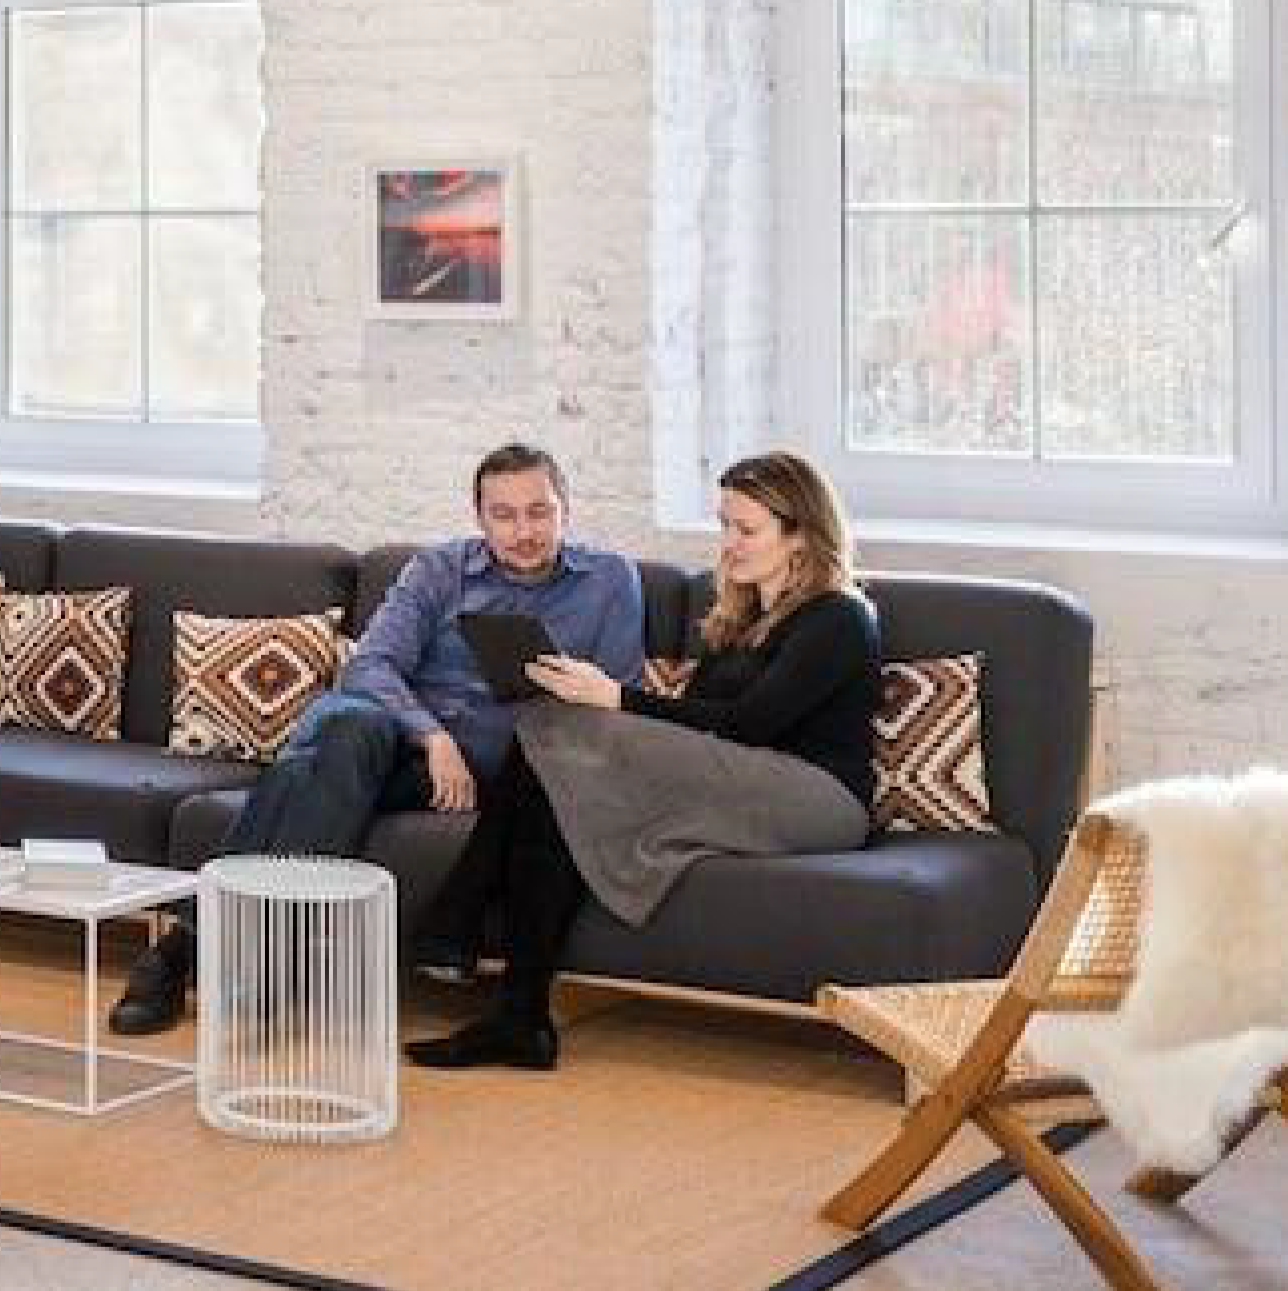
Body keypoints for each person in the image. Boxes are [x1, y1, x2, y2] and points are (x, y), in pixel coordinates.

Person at [109, 443, 644, 1036]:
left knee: (303, 775)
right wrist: (433, 736)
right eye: (504, 515)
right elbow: (371, 665)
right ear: (479, 518)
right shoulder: (440, 570)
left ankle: (178, 951)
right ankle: (264, 962)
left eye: (539, 512)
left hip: (501, 766)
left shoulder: (609, 581)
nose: (523, 532)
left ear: (566, 508)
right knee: (344, 732)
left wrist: (573, 690)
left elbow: (618, 703)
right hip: (396, 741)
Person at [407, 450, 881, 1071]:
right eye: (724, 525)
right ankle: (520, 1017)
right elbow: (694, 719)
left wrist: (613, 698)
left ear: (800, 535)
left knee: (556, 726)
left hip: (817, 800)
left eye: (746, 529)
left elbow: (750, 724)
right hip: (738, 783)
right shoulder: (742, 619)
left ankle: (457, 919)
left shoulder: (840, 616)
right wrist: (604, 712)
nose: (728, 543)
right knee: (558, 773)